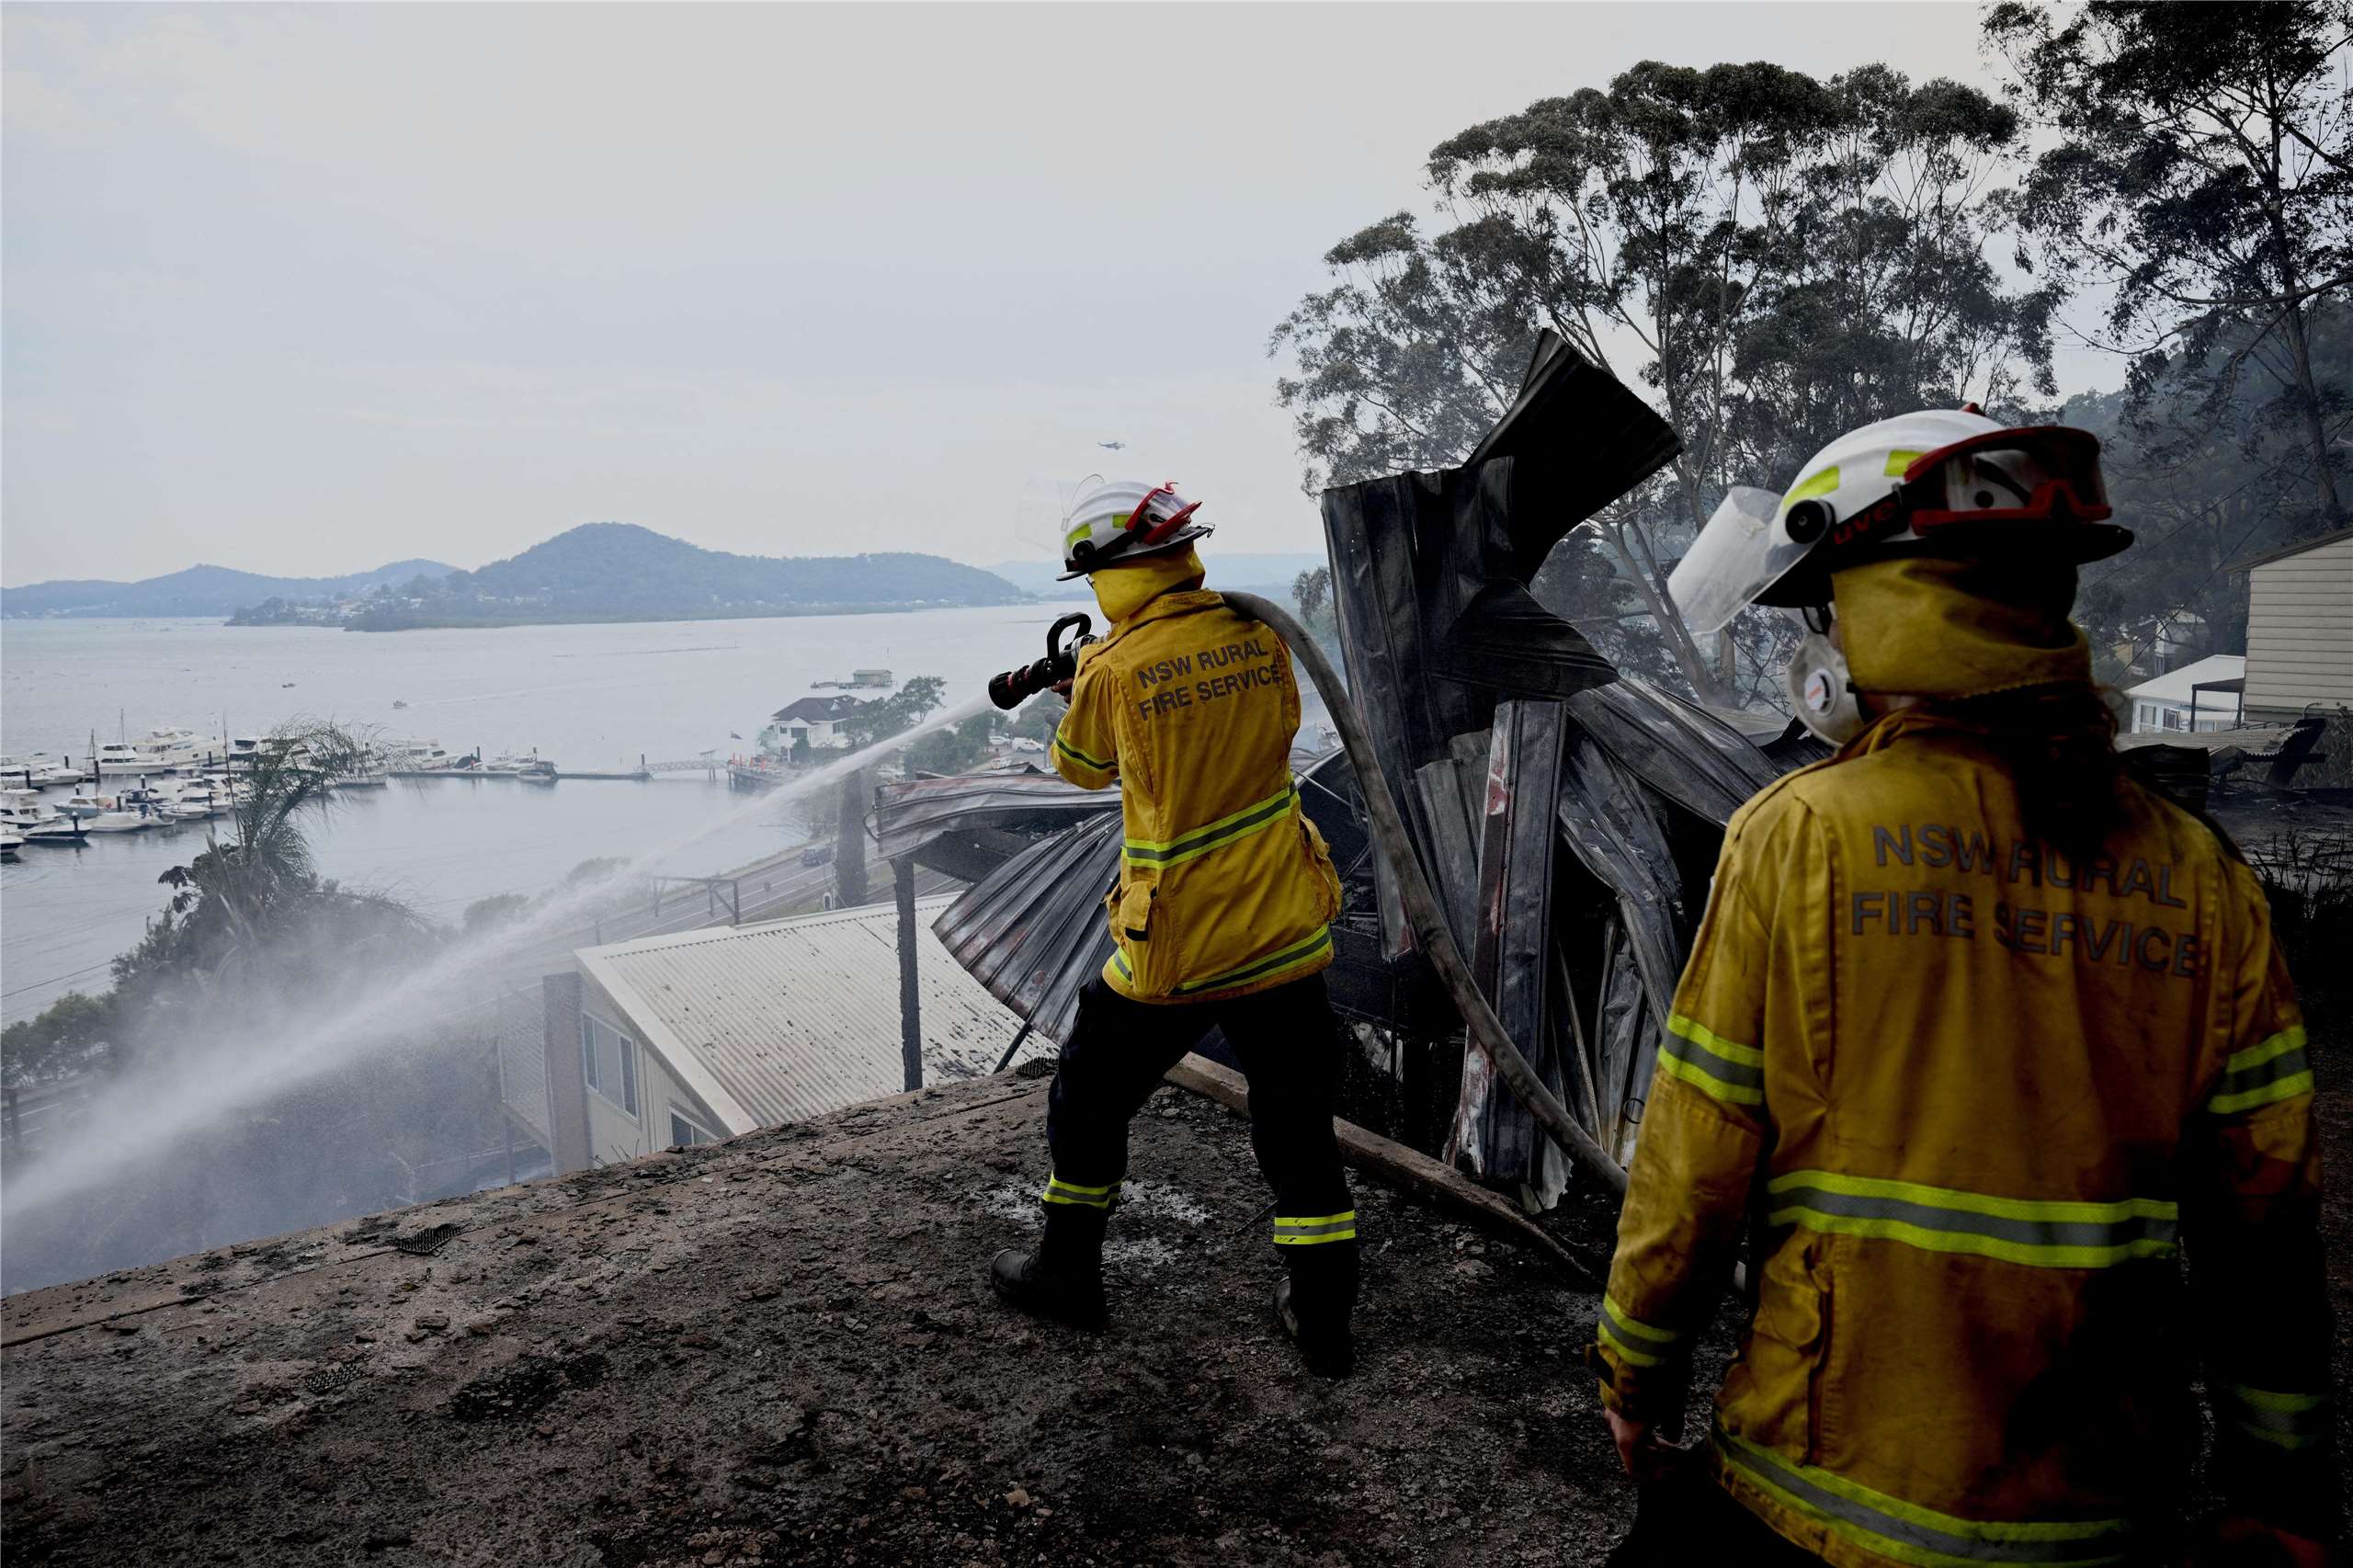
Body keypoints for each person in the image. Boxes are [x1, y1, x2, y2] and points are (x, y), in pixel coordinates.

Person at [1593, 410, 2334, 1565]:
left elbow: (1695, 1160)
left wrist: (1635, 1372)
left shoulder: (1796, 836)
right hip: (2100, 1506)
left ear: (1886, 601)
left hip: (1821, 1483)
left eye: (1827, 604)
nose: (1820, 640)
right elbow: (2266, 1232)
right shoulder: (2199, 875)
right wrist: (2283, 1487)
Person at [989, 479, 1357, 1375]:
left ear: (1104, 570)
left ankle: (1067, 1272)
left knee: (1088, 1095)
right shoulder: (1257, 630)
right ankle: (1324, 1318)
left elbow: (1082, 769)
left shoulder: (1114, 667)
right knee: (1299, 1121)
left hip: (1181, 943)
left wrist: (1078, 691)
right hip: (1281, 922)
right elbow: (1269, 730)